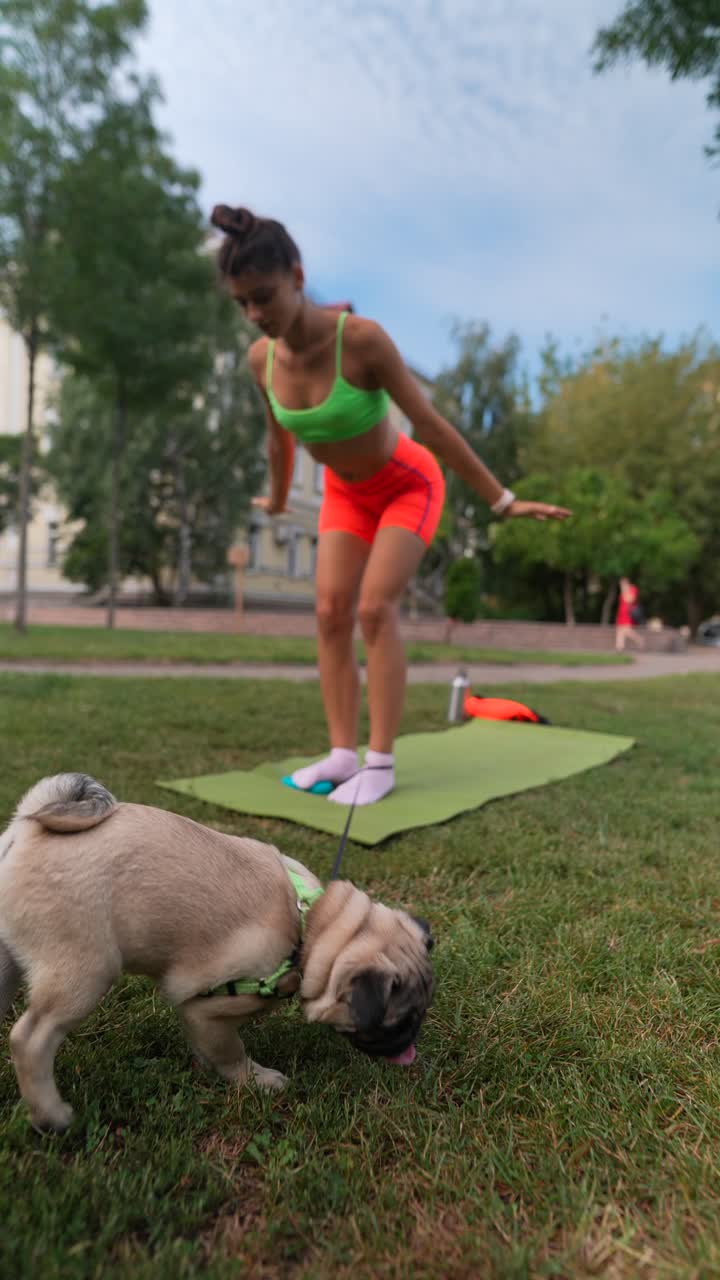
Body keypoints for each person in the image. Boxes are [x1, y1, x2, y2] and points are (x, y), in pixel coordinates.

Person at [211, 204, 571, 806]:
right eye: (242, 303)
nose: (254, 314)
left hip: (408, 484)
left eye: (263, 297)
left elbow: (429, 424)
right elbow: (279, 440)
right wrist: (276, 500)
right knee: (330, 612)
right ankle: (341, 755)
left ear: (297, 277)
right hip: (346, 494)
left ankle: (379, 763)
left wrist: (501, 500)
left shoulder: (361, 341)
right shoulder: (261, 360)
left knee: (374, 610)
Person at [615, 576, 645, 652]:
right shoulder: (623, 591)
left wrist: (625, 591)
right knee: (620, 630)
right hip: (621, 614)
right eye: (621, 584)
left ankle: (639, 640)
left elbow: (630, 600)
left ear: (627, 583)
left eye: (623, 584)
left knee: (626, 630)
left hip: (628, 614)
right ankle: (619, 647)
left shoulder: (632, 589)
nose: (622, 586)